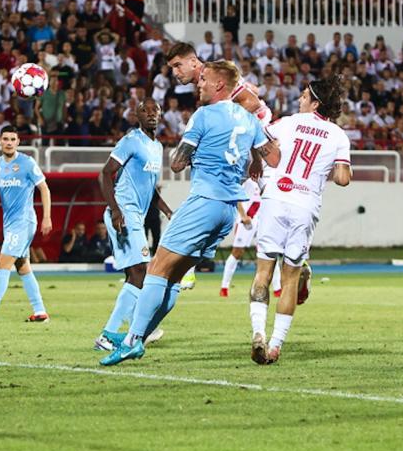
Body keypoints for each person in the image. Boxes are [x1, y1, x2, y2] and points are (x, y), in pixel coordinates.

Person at [100, 60, 280, 366]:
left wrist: (197, 151)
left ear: (220, 85)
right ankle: (137, 337)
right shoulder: (250, 121)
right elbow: (271, 158)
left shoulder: (204, 115)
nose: (199, 85)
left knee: (157, 269)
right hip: (226, 214)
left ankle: (132, 341)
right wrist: (252, 159)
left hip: (203, 202)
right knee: (174, 278)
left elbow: (178, 163)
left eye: (205, 80)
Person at [250, 76, 351, 365]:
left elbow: (260, 144)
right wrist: (322, 172)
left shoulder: (288, 123)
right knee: (291, 277)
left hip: (275, 199)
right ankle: (275, 347)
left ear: (315, 102)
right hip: (305, 204)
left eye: (304, 95)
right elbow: (343, 178)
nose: (300, 99)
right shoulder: (337, 136)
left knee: (263, 273)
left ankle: (258, 333)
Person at [166, 42, 273, 291]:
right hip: (248, 147)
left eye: (177, 65)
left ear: (194, 62)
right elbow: (250, 89)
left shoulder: (214, 79)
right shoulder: (211, 84)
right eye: (172, 68)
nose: (175, 72)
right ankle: (189, 268)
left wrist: (224, 124)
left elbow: (253, 102)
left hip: (261, 138)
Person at [94, 98, 172, 352]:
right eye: (145, 111)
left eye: (155, 110)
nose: (151, 114)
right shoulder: (131, 141)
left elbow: (151, 190)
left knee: (135, 275)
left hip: (137, 214)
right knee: (142, 271)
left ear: (160, 115)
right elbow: (106, 173)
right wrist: (116, 210)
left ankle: (130, 331)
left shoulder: (158, 147)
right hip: (125, 215)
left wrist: (169, 212)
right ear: (137, 116)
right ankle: (117, 334)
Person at [0, 125, 53, 324]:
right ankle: (40, 311)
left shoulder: (27, 162)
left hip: (24, 222)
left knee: (3, 263)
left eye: (12, 139)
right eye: (5, 139)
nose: (8, 142)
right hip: (11, 224)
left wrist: (46, 217)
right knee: (22, 267)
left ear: (18, 142)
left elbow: (44, 189)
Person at [219, 178, 283, 297]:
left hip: (263, 221)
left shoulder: (270, 178)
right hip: (247, 221)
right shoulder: (248, 181)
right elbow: (236, 196)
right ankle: (224, 287)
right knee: (237, 252)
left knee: (270, 251)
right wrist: (243, 216)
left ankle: (277, 289)